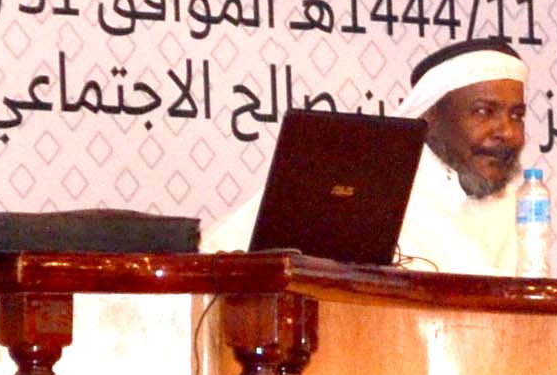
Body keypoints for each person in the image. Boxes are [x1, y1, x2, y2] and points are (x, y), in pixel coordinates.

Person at [205, 37, 535, 274]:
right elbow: (215, 259)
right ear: (430, 115)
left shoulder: (521, 208)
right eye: (483, 111)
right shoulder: (366, 181)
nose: (507, 132)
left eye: (517, 115)